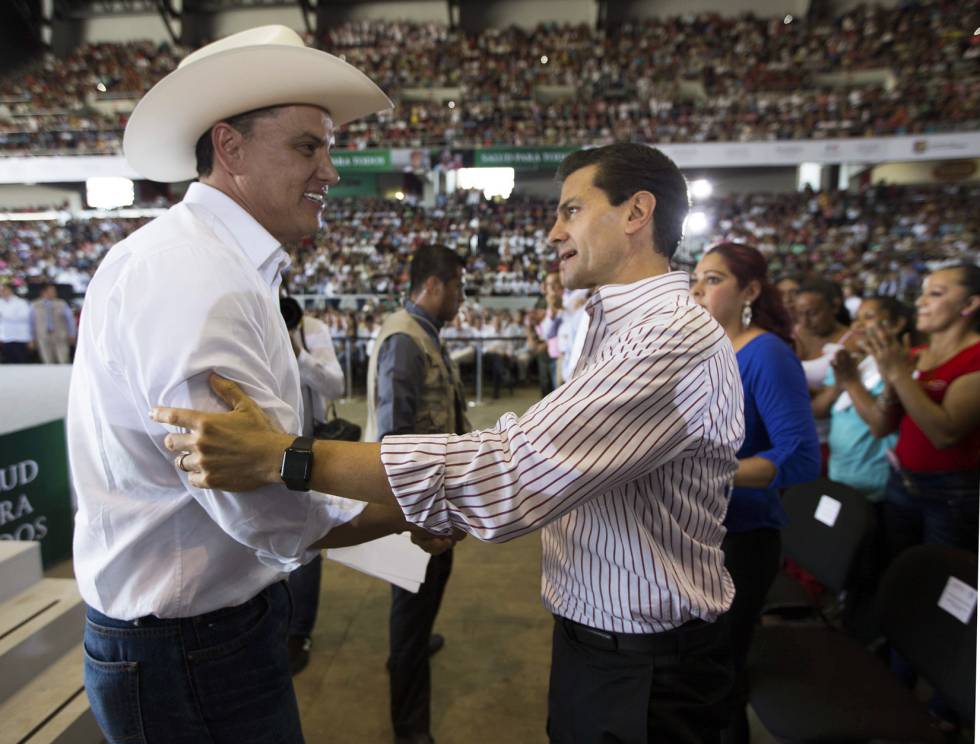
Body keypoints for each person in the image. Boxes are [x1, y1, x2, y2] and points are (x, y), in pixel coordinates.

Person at [153, 142, 746, 743]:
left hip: (647, 669)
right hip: (605, 647)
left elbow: (515, 471)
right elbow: (553, 465)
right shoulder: (615, 326)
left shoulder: (669, 338)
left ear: (636, 212)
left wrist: (284, 456)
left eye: (570, 210)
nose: (552, 232)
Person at [67, 26, 451, 744]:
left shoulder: (196, 262)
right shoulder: (198, 279)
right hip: (191, 646)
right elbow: (262, 510)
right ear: (231, 147)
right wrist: (410, 509)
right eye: (309, 146)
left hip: (190, 637)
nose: (331, 171)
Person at [690, 242, 820, 744]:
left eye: (714, 279)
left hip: (741, 537)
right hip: (703, 529)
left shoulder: (765, 353)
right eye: (696, 278)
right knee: (701, 669)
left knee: (718, 673)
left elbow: (801, 455)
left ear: (750, 290)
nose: (698, 289)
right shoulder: (710, 349)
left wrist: (707, 471)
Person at [365, 243, 469, 744]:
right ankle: (410, 730)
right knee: (409, 617)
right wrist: (417, 518)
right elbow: (393, 439)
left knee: (420, 606)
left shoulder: (421, 332)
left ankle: (415, 644)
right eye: (458, 287)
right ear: (434, 285)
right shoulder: (405, 339)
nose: (461, 298)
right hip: (415, 509)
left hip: (432, 501)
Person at [856, 264, 980, 559]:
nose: (920, 302)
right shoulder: (914, 355)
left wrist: (898, 375)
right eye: (922, 293)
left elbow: (944, 433)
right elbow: (882, 426)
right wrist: (889, 386)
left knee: (937, 579)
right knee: (899, 571)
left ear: (971, 304)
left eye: (935, 294)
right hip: (901, 482)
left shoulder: (974, 359)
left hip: (950, 494)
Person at [279, 296, 347, 674]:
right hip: (261, 446)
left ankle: (298, 632)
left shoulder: (312, 330)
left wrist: (299, 353)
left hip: (307, 447)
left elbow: (336, 387)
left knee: (306, 540)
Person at [29, 283, 75, 363]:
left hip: (60, 335)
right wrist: (32, 338)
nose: (54, 293)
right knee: (47, 360)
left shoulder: (61, 303)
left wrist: (72, 334)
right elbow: (31, 323)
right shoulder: (35, 305)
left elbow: (70, 320)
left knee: (63, 359)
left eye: (54, 291)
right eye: (51, 291)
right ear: (43, 292)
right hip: (43, 336)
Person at [0, 283, 32, 363]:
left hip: (20, 336)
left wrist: (5, 315)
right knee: (8, 360)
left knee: (20, 359)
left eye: (5, 290)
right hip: (5, 337)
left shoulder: (21, 302)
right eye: (2, 290)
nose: (3, 292)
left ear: (10, 291)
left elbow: (24, 317)